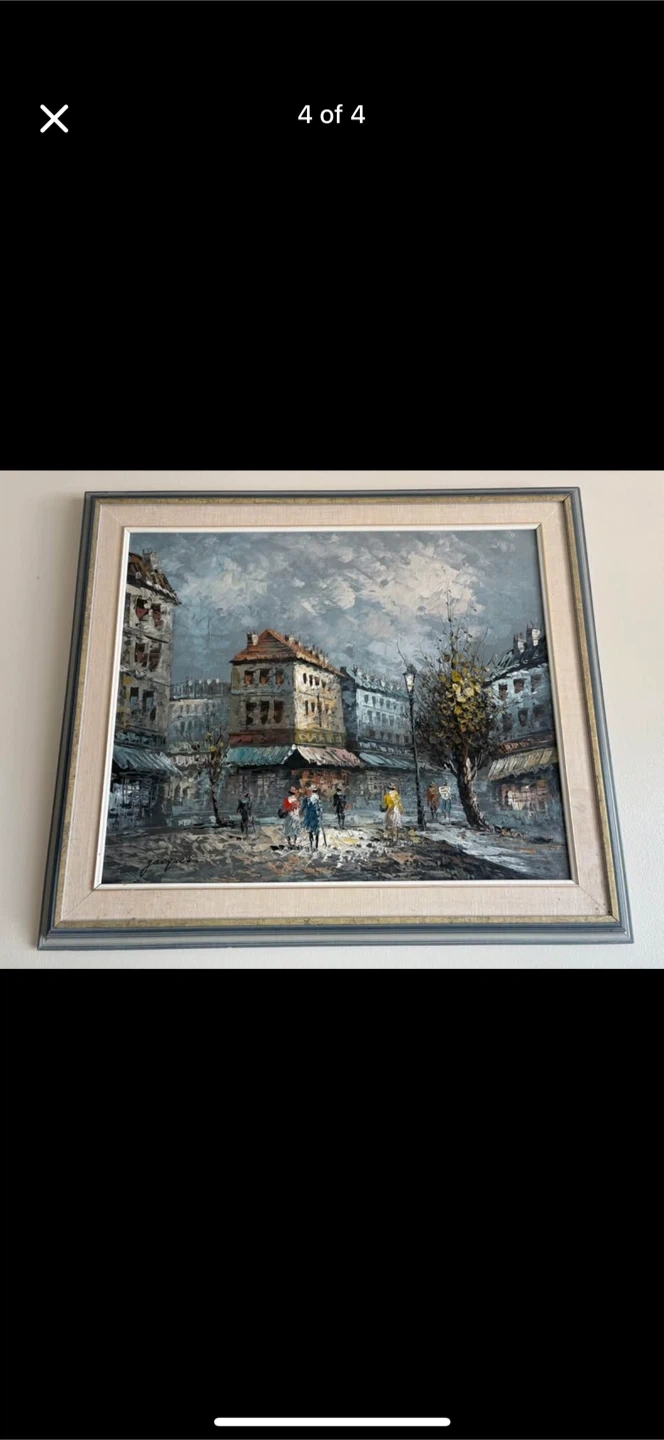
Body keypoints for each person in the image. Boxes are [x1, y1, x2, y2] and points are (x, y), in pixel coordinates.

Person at [301, 785, 324, 850]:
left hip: (314, 816)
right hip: (311, 816)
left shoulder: (315, 798)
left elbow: (319, 807)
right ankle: (313, 844)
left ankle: (315, 845)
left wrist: (320, 813)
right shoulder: (307, 799)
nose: (309, 792)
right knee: (312, 830)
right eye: (308, 791)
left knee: (314, 830)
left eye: (310, 791)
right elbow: (303, 807)